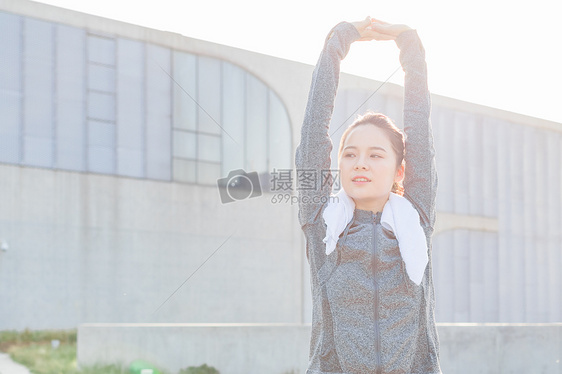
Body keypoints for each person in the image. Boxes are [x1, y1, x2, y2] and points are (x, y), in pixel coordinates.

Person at [295, 17, 442, 374]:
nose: (360, 163)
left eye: (376, 155)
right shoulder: (322, 223)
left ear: (400, 170)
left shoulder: (416, 218)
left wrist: (409, 45)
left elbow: (419, 127)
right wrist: (337, 44)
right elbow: (315, 130)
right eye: (350, 154)